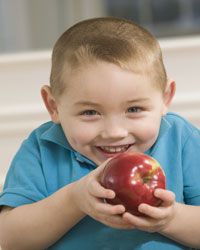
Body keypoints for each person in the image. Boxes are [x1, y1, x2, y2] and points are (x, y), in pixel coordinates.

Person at [0, 17, 200, 250]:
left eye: (134, 109)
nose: (115, 132)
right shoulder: (42, 149)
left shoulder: (180, 139)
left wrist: (171, 218)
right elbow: (8, 238)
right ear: (53, 106)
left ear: (166, 98)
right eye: (90, 112)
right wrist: (74, 200)